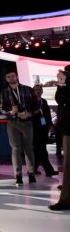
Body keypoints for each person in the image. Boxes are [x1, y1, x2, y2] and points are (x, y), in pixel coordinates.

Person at [0, 70, 38, 185]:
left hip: (27, 122)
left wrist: (29, 113)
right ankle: (18, 175)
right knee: (15, 149)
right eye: (8, 77)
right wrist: (11, 112)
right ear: (6, 79)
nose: (11, 78)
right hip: (12, 122)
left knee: (28, 148)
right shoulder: (4, 92)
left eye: (12, 76)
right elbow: (1, 108)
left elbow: (37, 105)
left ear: (17, 76)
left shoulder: (28, 89)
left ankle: (31, 173)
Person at [49, 64, 70, 210]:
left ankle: (66, 200)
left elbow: (62, 100)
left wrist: (63, 84)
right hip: (67, 128)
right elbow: (59, 100)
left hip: (69, 129)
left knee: (68, 165)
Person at [31, 84, 58, 177]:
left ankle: (33, 169)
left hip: (43, 128)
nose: (37, 92)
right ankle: (48, 170)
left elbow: (47, 115)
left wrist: (50, 125)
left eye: (39, 90)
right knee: (39, 149)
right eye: (35, 90)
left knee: (40, 148)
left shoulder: (44, 101)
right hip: (33, 128)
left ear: (42, 91)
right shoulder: (30, 102)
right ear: (33, 92)